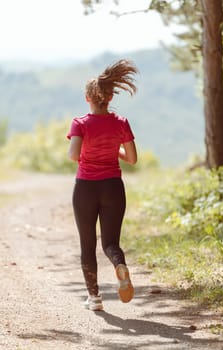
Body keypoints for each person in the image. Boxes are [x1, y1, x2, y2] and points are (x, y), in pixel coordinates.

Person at [67, 59, 138, 311]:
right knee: (110, 243)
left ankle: (95, 298)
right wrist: (113, 149)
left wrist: (88, 147)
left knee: (88, 244)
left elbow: (73, 155)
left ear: (88, 98)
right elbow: (131, 158)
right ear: (110, 97)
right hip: (113, 187)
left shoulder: (80, 123)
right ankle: (119, 265)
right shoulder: (121, 122)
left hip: (86, 187)